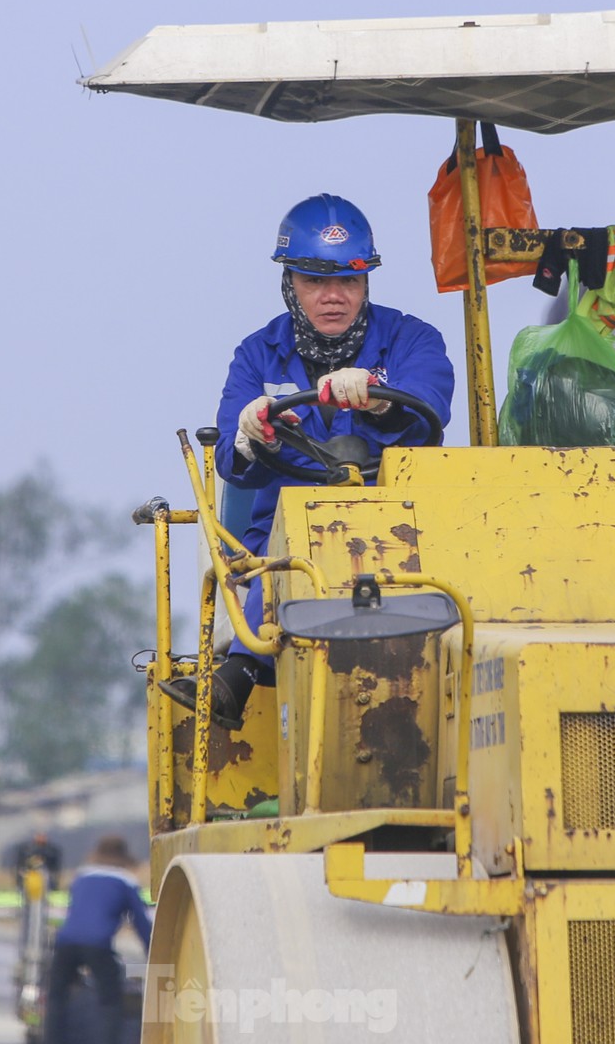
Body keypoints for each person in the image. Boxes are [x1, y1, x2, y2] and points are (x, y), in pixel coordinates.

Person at [158, 193, 455, 729]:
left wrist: (382, 397)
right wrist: (252, 433)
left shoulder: (412, 340)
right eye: (316, 281)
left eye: (349, 280)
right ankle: (241, 674)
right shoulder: (256, 355)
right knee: (293, 539)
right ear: (289, 283)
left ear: (367, 283)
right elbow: (230, 455)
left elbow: (432, 400)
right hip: (285, 537)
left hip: (399, 530)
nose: (334, 296)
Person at [45, 834, 151, 1044]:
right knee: (110, 1000)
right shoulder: (125, 880)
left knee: (57, 996)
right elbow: (141, 922)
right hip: (97, 945)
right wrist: (154, 952)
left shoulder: (82, 875)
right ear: (125, 855)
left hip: (66, 942)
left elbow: (74, 911)